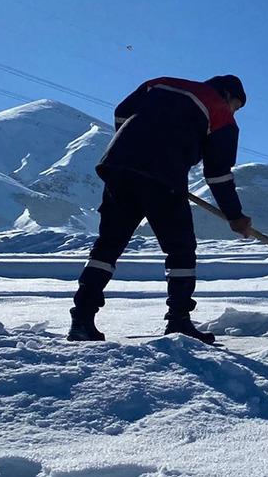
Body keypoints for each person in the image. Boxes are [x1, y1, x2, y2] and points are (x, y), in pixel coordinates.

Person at [68, 75, 254, 344]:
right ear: (227, 95)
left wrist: (137, 148)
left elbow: (121, 111)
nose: (234, 111)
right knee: (180, 250)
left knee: (108, 246)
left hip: (119, 168)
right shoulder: (221, 114)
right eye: (236, 106)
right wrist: (235, 216)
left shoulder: (161, 83)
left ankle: (82, 320)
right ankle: (179, 320)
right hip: (164, 179)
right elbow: (218, 174)